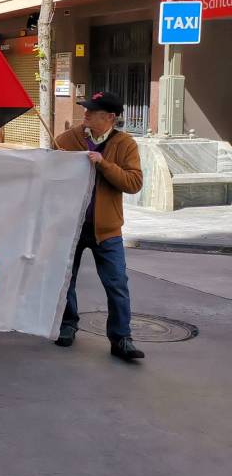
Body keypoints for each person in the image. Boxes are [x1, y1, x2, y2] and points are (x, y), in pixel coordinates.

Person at [55, 91, 145, 362]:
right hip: (71, 226)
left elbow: (133, 183)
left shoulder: (125, 144)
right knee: (65, 281)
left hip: (107, 230)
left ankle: (121, 338)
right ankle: (67, 325)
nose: (85, 114)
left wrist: (104, 164)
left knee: (117, 283)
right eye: (86, 109)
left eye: (92, 111)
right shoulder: (67, 140)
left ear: (110, 118)